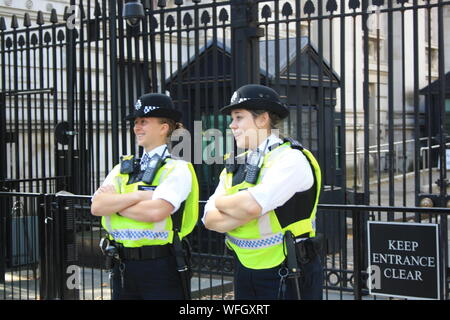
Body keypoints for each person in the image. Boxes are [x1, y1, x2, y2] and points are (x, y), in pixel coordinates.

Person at [203, 84, 323, 300]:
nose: (232, 125)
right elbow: (209, 220)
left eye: (239, 117)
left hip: (288, 270)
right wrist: (243, 209)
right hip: (244, 268)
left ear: (262, 119)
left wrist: (224, 202)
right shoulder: (236, 163)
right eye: (233, 118)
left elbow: (251, 206)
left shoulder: (290, 158)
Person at [91, 93, 199, 300]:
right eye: (136, 122)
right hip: (122, 266)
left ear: (163, 127)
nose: (136, 127)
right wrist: (140, 196)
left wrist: (116, 203)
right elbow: (97, 206)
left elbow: (156, 211)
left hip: (160, 267)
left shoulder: (177, 168)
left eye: (144, 122)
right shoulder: (123, 168)